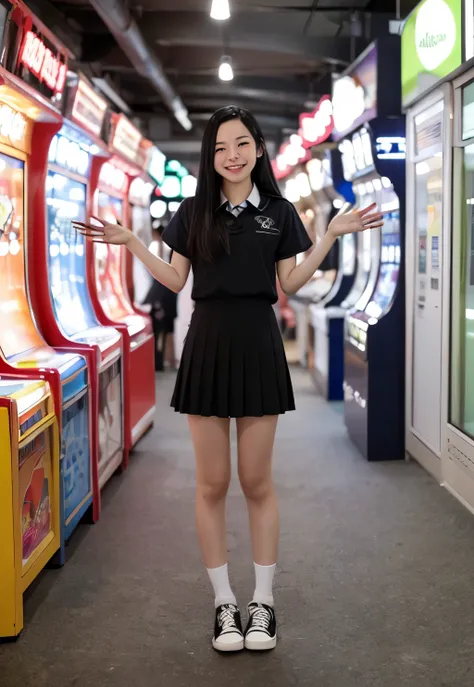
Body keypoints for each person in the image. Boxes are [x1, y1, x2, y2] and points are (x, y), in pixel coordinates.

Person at [73, 105, 382, 653]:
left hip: (261, 346)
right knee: (212, 484)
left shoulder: (281, 212)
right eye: (219, 148)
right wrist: (134, 243)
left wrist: (330, 235)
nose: (231, 156)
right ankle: (223, 604)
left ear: (258, 149)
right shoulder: (193, 212)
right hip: (208, 346)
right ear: (210, 158)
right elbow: (174, 278)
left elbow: (290, 278)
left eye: (241, 144)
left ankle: (262, 603)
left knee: (256, 482)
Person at [143, 224, 178, 370]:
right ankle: (169, 359)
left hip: (162, 294)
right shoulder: (170, 247)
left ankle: (164, 360)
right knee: (168, 329)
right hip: (170, 294)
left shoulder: (157, 247)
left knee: (162, 329)